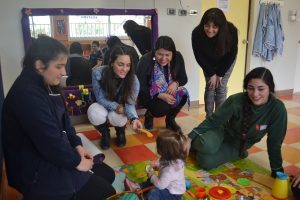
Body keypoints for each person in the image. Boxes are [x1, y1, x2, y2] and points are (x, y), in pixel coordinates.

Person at [2, 36, 116, 200]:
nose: (64, 72)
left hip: (53, 153)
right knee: (107, 193)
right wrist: (77, 162)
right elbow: (49, 142)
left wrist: (77, 145)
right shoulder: (26, 94)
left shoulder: (47, 84)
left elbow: (65, 122)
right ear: (39, 65)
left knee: (108, 174)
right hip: (35, 170)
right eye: (59, 66)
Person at [186, 67, 287, 178]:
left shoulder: (277, 109)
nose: (255, 94)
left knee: (206, 161)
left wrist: (277, 169)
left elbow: (274, 142)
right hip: (222, 132)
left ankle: (228, 152)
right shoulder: (236, 100)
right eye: (250, 88)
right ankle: (195, 144)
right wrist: (190, 138)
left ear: (270, 88)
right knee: (206, 145)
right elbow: (214, 121)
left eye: (261, 89)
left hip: (237, 146)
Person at [87, 46, 143, 150]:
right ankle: (105, 133)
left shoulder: (133, 80)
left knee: (118, 117)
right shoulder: (98, 73)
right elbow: (100, 98)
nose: (125, 69)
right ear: (112, 62)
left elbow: (130, 103)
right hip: (104, 105)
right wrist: (116, 106)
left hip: (119, 110)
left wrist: (134, 119)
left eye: (128, 65)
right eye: (120, 64)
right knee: (93, 112)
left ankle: (120, 131)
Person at [192, 8, 238, 117]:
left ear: (220, 27)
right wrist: (211, 73)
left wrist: (220, 73)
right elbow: (199, 56)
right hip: (208, 62)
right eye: (207, 25)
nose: (210, 29)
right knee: (210, 86)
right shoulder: (197, 33)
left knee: (221, 88)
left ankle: (219, 118)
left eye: (214, 27)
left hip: (226, 61)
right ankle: (209, 117)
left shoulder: (231, 30)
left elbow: (232, 54)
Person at [136, 36, 189, 132]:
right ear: (154, 52)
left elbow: (184, 78)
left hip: (169, 90)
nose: (163, 58)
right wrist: (158, 94)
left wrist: (176, 83)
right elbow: (139, 86)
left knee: (183, 94)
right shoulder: (145, 60)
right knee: (161, 109)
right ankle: (149, 114)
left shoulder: (178, 57)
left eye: (167, 55)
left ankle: (170, 120)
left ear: (173, 53)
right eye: (159, 54)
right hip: (148, 94)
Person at [125, 131, 188, 200]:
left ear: (164, 152)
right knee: (151, 179)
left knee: (154, 192)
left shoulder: (169, 170)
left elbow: (160, 185)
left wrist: (152, 175)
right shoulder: (174, 157)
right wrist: (157, 166)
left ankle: (140, 190)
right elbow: (164, 165)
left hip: (173, 195)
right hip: (166, 185)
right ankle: (138, 187)